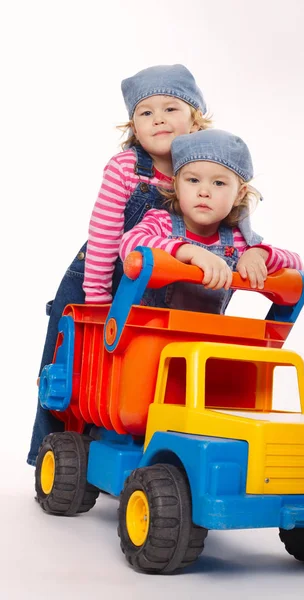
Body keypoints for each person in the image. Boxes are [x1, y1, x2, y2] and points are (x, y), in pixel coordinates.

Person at [27, 64, 216, 466]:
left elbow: (230, 224)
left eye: (171, 108)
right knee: (68, 372)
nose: (159, 118)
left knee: (136, 376)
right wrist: (97, 297)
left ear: (195, 119)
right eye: (146, 112)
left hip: (159, 290)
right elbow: (104, 235)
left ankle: (121, 455)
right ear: (133, 125)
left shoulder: (202, 173)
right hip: (99, 277)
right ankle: (51, 456)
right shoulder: (126, 169)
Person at [119, 129, 303, 315]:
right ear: (176, 186)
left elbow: (296, 266)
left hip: (206, 338)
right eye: (193, 180)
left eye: (218, 183)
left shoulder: (238, 243)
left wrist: (259, 254)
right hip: (152, 331)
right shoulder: (162, 223)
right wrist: (187, 251)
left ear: (239, 194)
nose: (204, 192)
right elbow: (129, 244)